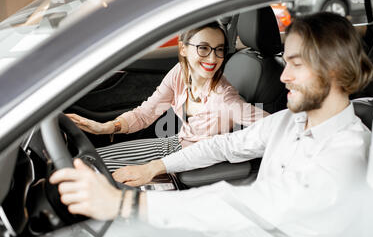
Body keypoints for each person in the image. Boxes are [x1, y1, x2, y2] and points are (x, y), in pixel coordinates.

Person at [50, 12, 373, 237]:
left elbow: (251, 205)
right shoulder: (288, 121)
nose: (283, 76)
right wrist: (154, 168)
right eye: (285, 62)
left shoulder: (345, 156)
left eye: (296, 64)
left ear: (333, 70)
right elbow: (222, 146)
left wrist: (127, 204)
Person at [67, 21, 268, 174]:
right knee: (87, 161)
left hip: (190, 160)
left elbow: (275, 127)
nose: (213, 58)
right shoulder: (180, 73)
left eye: (219, 50)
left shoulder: (225, 100)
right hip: (174, 143)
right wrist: (105, 128)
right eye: (203, 48)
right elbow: (147, 113)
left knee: (89, 171)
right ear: (183, 49)